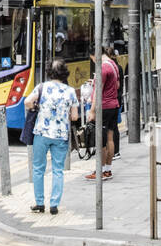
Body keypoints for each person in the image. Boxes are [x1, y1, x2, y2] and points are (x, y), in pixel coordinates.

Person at [23, 60, 79, 215]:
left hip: (41, 133)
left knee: (38, 169)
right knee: (58, 170)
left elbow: (27, 102)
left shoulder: (42, 87)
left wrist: (36, 107)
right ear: (64, 73)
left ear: (48, 72)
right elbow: (74, 117)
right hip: (61, 135)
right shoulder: (70, 91)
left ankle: (39, 203)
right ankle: (54, 205)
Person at [85, 47, 119, 181]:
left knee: (101, 141)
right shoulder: (113, 65)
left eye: (92, 59)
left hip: (103, 107)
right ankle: (107, 170)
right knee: (110, 138)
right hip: (113, 105)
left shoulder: (103, 68)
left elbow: (98, 91)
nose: (93, 62)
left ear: (95, 55)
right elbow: (116, 85)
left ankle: (100, 171)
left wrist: (92, 111)